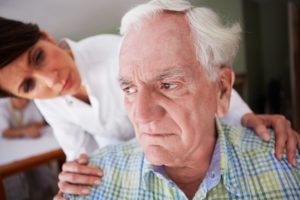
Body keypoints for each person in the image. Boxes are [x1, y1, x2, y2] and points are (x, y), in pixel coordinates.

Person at [0, 14, 299, 199]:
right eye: (28, 85)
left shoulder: (116, 52)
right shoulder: (48, 103)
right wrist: (80, 181)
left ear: (47, 38)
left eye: (38, 57)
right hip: (126, 169)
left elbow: (197, 81)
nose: (49, 80)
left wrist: (248, 117)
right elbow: (81, 154)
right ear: (23, 96)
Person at [0, 97, 57, 200]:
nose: (25, 102)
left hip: (29, 147)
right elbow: (5, 132)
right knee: (16, 177)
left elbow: (40, 123)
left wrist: (20, 131)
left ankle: (47, 193)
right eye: (20, 99)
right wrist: (25, 130)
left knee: (40, 166)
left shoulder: (30, 102)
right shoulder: (2, 106)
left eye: (26, 99)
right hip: (8, 152)